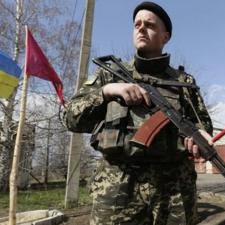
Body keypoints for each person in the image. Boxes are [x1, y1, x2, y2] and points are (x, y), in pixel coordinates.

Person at [63, 2, 213, 224]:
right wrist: (107, 92)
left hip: (175, 188)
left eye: (150, 25)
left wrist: (200, 138)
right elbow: (70, 118)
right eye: (137, 24)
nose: (141, 28)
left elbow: (203, 125)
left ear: (166, 36)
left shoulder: (184, 83)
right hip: (116, 186)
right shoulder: (109, 74)